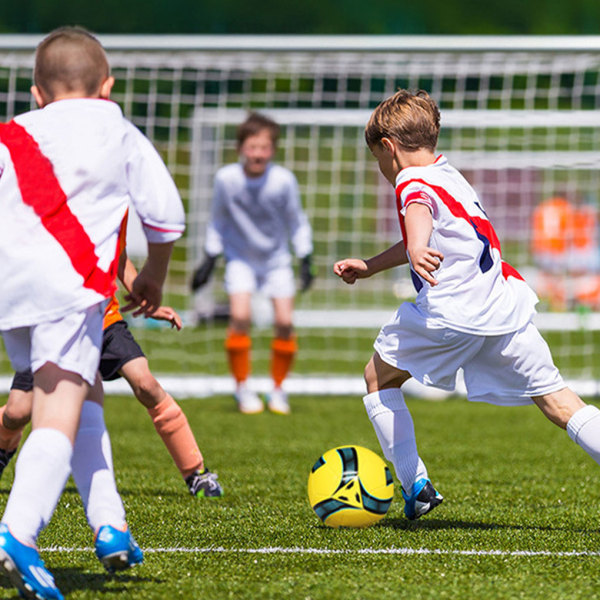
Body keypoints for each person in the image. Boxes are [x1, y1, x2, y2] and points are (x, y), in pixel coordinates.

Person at [333, 89, 600, 522]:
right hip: (502, 305)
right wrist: (372, 266)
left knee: (378, 379)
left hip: (454, 311)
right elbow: (429, 231)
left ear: (388, 147)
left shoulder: (411, 179)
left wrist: (418, 245)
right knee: (561, 404)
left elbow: (416, 210)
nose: (382, 169)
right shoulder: (449, 174)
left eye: (378, 159)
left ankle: (415, 485)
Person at [0, 26, 185, 600]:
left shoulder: (11, 133)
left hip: (12, 293)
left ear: (36, 94)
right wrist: (152, 277)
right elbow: (165, 215)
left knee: (83, 401)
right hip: (74, 290)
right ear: (107, 87)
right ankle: (17, 533)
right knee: (57, 413)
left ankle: (111, 525)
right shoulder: (117, 130)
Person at [0, 251, 223, 500]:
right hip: (51, 321)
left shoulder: (114, 211)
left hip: (102, 318)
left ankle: (196, 472)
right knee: (17, 412)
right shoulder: (41, 213)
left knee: (145, 383)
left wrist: (145, 296)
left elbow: (119, 253)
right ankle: (3, 445)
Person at [192, 112, 314, 415]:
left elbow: (296, 221)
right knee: (240, 317)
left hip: (276, 260)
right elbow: (218, 220)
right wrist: (209, 257)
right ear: (240, 148)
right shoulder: (227, 179)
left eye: (263, 147)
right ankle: (242, 387)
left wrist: (305, 257)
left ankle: (278, 390)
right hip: (240, 258)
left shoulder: (283, 181)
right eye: (251, 147)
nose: (257, 153)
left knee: (285, 323)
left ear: (272, 150)